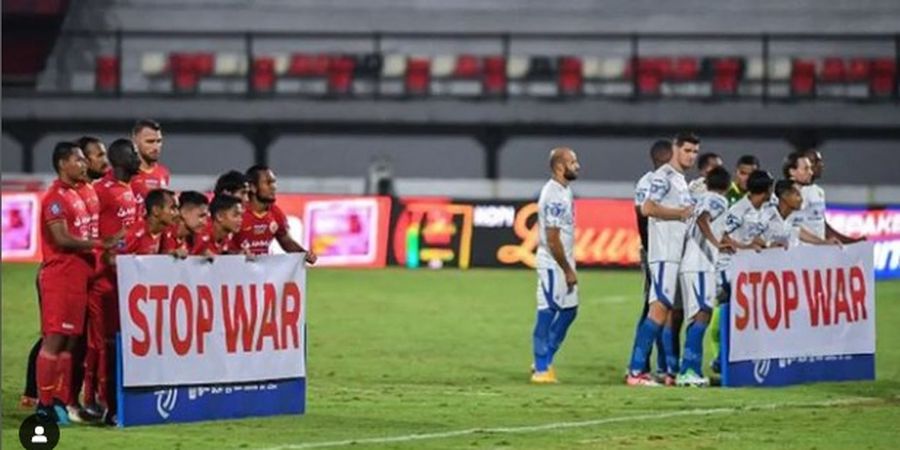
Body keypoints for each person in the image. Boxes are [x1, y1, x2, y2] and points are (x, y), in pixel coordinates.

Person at [22, 138, 108, 419]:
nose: (84, 164)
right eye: (79, 159)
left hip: (80, 276)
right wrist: (98, 244)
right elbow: (60, 238)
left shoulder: (81, 192)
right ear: (62, 164)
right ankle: (43, 405)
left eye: (85, 159)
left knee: (71, 342)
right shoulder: (55, 198)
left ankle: (60, 400)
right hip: (60, 277)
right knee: (54, 341)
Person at [625, 132, 697, 387]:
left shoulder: (679, 180)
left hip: (674, 254)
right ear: (675, 151)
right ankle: (636, 371)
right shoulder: (662, 177)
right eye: (687, 151)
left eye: (694, 152)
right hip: (663, 255)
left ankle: (655, 370)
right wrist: (679, 214)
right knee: (658, 310)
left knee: (661, 310)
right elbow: (647, 208)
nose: (692, 156)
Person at [84, 139, 141, 425]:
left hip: (124, 278)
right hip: (103, 278)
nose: (138, 157)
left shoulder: (128, 190)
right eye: (133, 153)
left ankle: (107, 399)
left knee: (115, 343)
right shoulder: (102, 191)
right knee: (100, 344)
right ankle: (92, 401)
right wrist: (104, 256)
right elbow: (90, 231)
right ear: (119, 160)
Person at [677, 167, 734, 387]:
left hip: (692, 263)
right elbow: (703, 220)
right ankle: (687, 371)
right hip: (700, 265)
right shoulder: (718, 200)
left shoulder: (701, 198)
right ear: (727, 186)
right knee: (702, 314)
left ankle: (690, 369)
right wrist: (716, 243)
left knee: (698, 316)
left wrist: (727, 243)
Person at [531, 147, 580, 384]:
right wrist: (567, 269)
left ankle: (544, 358)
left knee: (569, 311)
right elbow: (552, 238)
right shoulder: (553, 195)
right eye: (573, 162)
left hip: (563, 262)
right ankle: (541, 369)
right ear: (560, 166)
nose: (577, 166)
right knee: (548, 311)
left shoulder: (564, 191)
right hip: (553, 264)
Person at [633, 140, 672, 376]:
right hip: (655, 253)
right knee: (653, 305)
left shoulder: (671, 180)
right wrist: (650, 249)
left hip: (668, 253)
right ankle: (641, 362)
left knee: (662, 306)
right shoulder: (648, 183)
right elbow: (641, 217)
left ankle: (664, 364)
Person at [233, 165, 316, 262]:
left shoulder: (275, 212)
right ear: (253, 187)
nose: (273, 187)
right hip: (236, 270)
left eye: (274, 182)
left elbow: (286, 241)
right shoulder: (238, 212)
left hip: (261, 271)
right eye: (268, 183)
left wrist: (304, 254)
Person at [795, 149, 864, 243]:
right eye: (816, 161)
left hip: (817, 252)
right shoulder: (793, 192)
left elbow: (824, 227)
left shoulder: (818, 191)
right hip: (800, 252)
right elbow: (791, 227)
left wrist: (851, 241)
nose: (821, 165)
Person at [765, 180, 842, 248]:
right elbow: (754, 237)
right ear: (784, 196)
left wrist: (825, 242)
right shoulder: (767, 216)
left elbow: (799, 232)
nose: (801, 199)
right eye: (797, 195)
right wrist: (767, 245)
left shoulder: (790, 220)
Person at [130, 119, 171, 217]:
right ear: (135, 142)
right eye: (150, 142)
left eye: (159, 141)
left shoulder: (163, 173)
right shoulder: (126, 174)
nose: (156, 147)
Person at [122, 189, 180, 255]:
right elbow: (116, 260)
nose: (177, 213)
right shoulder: (134, 235)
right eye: (172, 208)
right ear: (156, 210)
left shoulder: (168, 233)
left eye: (177, 209)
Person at [161, 191, 210, 257]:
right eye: (201, 216)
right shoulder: (164, 231)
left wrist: (201, 256)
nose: (205, 222)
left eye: (206, 217)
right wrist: (171, 254)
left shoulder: (197, 239)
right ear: (184, 213)